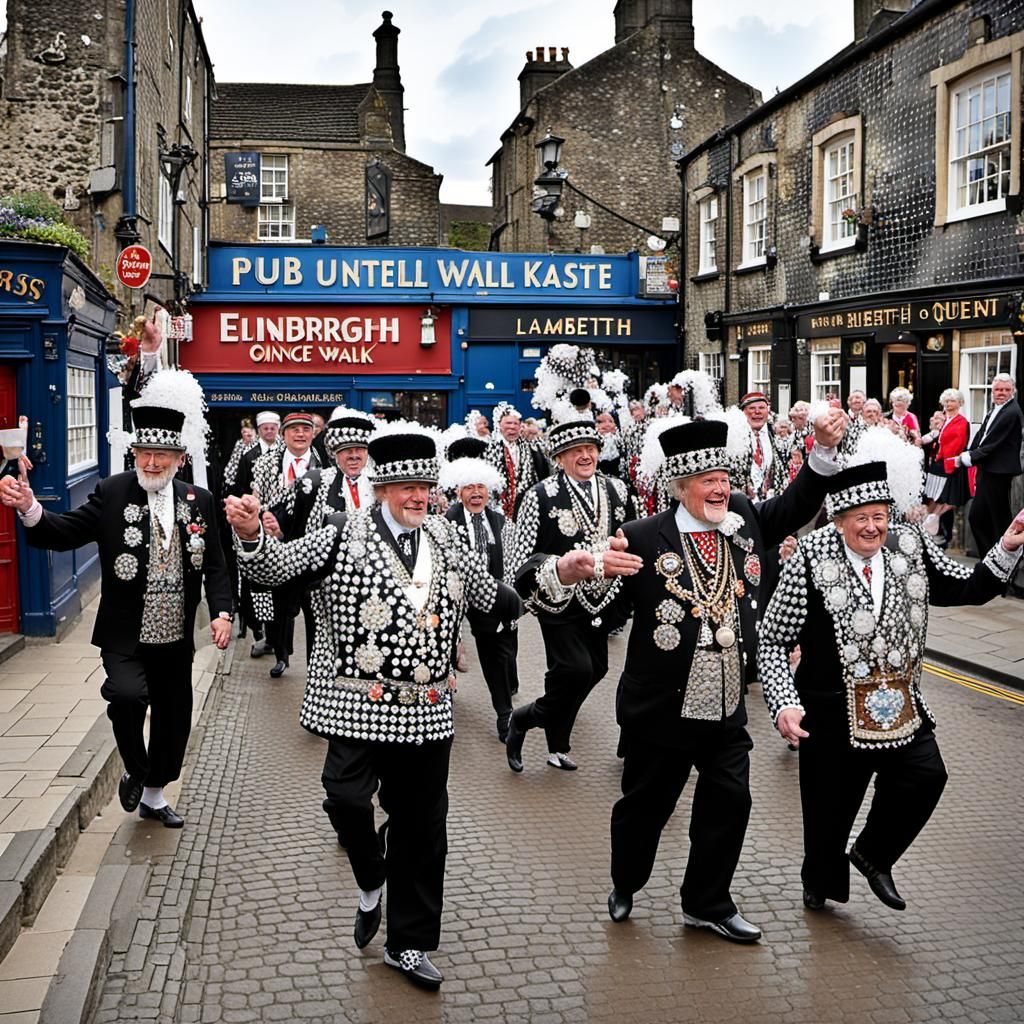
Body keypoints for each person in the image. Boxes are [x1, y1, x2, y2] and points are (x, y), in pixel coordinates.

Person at [225, 422, 522, 991]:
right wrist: (249, 538)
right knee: (343, 799)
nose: (418, 496)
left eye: (425, 485)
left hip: (429, 711)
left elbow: (492, 597)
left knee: (421, 829)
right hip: (355, 710)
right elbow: (273, 569)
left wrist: (557, 574)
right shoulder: (340, 533)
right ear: (383, 487)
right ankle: (369, 877)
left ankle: (408, 944)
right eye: (406, 486)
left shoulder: (447, 539)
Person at [600, 410, 845, 943]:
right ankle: (626, 881)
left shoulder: (741, 517)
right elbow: (602, 605)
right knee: (645, 808)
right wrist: (587, 570)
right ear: (682, 486)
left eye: (726, 480)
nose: (721, 489)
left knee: (731, 801)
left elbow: (794, 504)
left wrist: (820, 452)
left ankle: (706, 902)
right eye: (709, 481)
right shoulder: (641, 536)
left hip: (728, 707)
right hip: (659, 710)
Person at [758, 460, 1024, 913]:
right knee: (829, 812)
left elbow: (968, 587)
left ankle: (874, 854)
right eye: (860, 518)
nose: (872, 526)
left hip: (898, 703)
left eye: (879, 515)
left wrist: (1007, 546)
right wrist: (785, 703)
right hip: (829, 709)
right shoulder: (809, 555)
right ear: (838, 520)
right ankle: (820, 880)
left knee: (926, 776)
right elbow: (773, 639)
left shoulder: (910, 543)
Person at [0, 382, 232, 828]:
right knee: (128, 696)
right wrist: (30, 507)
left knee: (173, 718)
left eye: (161, 456)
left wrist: (222, 612)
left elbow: (217, 566)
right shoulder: (112, 492)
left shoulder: (197, 501)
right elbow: (64, 531)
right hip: (125, 631)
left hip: (175, 634)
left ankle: (153, 794)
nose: (151, 462)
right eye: (144, 453)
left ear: (179, 459)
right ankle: (136, 767)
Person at [505, 417, 637, 772]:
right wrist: (556, 572)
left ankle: (556, 745)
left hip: (604, 599)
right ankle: (523, 718)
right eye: (575, 451)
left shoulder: (617, 490)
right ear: (559, 458)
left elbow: (633, 536)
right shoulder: (538, 495)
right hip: (559, 600)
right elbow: (520, 561)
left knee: (595, 669)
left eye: (590, 449)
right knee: (574, 670)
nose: (585, 456)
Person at [442, 436, 519, 742]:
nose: (476, 493)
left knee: (497, 655)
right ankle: (443, 695)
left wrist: (510, 599)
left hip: (492, 600)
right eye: (469, 488)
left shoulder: (501, 522)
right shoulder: (445, 523)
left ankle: (505, 714)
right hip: (455, 597)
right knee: (444, 647)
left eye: (480, 487)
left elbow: (512, 562)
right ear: (458, 492)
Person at [251, 411, 324, 677]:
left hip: (313, 545)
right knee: (280, 605)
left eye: (306, 429)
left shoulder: (324, 464)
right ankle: (281, 655)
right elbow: (256, 499)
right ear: (284, 435)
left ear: (313, 433)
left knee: (315, 605)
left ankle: (316, 661)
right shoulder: (265, 463)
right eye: (294, 430)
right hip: (278, 544)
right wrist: (265, 519)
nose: (301, 434)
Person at [961, 373, 1024, 556]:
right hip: (988, 469)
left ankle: (999, 562)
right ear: (992, 391)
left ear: (1012, 391)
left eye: (1005, 389)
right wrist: (969, 451)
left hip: (998, 472)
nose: (1001, 393)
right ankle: (990, 560)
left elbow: (992, 443)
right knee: (979, 518)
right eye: (997, 389)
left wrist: (967, 458)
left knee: (997, 520)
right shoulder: (996, 409)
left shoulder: (1011, 412)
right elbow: (982, 435)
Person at [917, 388, 970, 541]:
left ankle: (936, 527)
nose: (948, 404)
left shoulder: (961, 421)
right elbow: (935, 435)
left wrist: (947, 460)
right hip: (938, 463)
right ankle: (927, 530)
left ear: (959, 403)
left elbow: (958, 444)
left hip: (949, 464)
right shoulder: (945, 419)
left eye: (952, 401)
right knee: (933, 497)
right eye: (946, 401)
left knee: (946, 498)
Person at [486, 401, 549, 520]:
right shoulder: (490, 450)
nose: (512, 427)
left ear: (520, 427)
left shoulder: (532, 448)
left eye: (515, 423)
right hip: (500, 507)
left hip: (527, 507)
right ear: (500, 426)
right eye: (508, 423)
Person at [732, 391, 787, 500]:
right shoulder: (735, 440)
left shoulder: (775, 438)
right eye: (752, 408)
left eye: (762, 408)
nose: (757, 412)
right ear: (743, 412)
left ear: (768, 411)